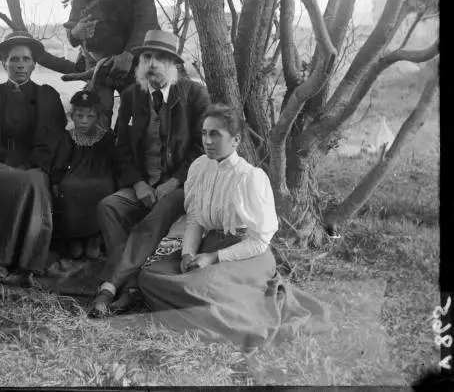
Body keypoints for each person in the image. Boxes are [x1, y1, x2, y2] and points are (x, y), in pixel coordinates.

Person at [137, 104, 330, 349]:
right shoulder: (199, 168)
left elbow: (260, 241)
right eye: (204, 133)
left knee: (195, 287)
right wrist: (188, 253)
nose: (207, 140)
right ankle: (208, 307)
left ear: (236, 139)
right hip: (207, 248)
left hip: (247, 254)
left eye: (215, 134)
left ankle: (230, 316)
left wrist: (214, 257)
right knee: (150, 277)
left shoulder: (250, 178)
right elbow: (195, 219)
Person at [89, 29, 210, 318]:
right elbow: (121, 146)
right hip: (144, 183)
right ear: (140, 62)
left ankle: (109, 287)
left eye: (160, 58)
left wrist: (173, 182)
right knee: (110, 206)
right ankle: (131, 285)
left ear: (174, 64)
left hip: (182, 185)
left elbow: (201, 147)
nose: (153, 63)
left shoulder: (194, 95)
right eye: (147, 57)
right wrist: (138, 183)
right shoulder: (133, 95)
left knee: (160, 212)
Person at [0, 31, 67, 287]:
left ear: (34, 63)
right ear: (4, 64)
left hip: (34, 163)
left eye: (25, 59)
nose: (20, 65)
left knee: (31, 184)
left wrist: (28, 164)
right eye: (13, 60)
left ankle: (25, 261)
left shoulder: (47, 95)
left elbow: (52, 138)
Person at [38, 0, 160, 121]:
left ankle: (130, 146)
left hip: (133, 62)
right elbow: (72, 28)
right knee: (97, 111)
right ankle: (98, 147)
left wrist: (128, 55)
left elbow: (145, 23)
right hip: (97, 65)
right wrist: (76, 32)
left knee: (141, 112)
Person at [50, 89, 117, 260]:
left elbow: (114, 161)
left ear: (98, 117)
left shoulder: (106, 136)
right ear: (72, 116)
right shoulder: (69, 136)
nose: (84, 121)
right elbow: (61, 161)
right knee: (70, 188)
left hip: (101, 174)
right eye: (79, 116)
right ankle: (76, 237)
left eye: (90, 117)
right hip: (75, 174)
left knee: (103, 188)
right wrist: (56, 180)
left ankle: (94, 237)